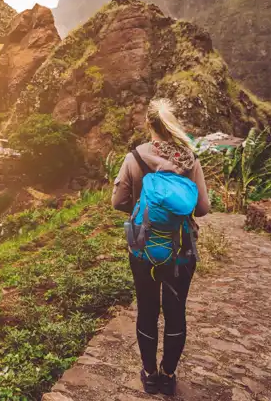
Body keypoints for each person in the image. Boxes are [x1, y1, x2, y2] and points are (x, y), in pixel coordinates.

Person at [112, 98, 210, 396]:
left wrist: (144, 206)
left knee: (147, 309)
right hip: (181, 250)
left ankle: (150, 374)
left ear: (148, 125)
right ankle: (168, 375)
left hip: (143, 249)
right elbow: (203, 207)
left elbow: (117, 202)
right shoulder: (189, 160)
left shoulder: (135, 157)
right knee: (175, 310)